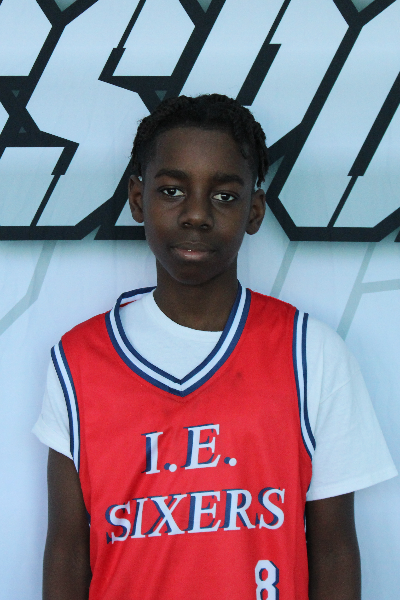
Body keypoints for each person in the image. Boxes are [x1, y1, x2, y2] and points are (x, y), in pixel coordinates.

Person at [33, 94, 397, 600]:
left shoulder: (310, 353)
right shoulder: (77, 361)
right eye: (172, 191)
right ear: (137, 199)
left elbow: (334, 549)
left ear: (254, 210)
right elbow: (67, 552)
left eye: (224, 196)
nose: (197, 215)